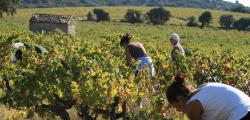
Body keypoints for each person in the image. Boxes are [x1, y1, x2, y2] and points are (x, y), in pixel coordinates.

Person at [166, 75, 250, 120]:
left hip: (240, 115)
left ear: (180, 99)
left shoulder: (192, 106)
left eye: (176, 106)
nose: (178, 110)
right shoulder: (203, 88)